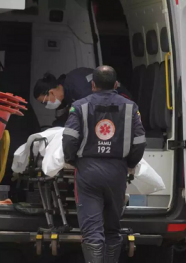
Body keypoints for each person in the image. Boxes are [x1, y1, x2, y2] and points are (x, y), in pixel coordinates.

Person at [62, 66, 146, 263]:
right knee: (112, 229)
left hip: (88, 172)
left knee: (92, 230)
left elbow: (69, 139)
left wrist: (73, 160)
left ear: (93, 85)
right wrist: (129, 162)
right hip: (117, 172)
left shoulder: (79, 106)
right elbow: (140, 141)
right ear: (116, 85)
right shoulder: (130, 107)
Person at [33, 67, 132, 126]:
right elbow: (65, 116)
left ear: (51, 92)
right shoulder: (65, 89)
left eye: (45, 102)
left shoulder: (79, 88)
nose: (46, 105)